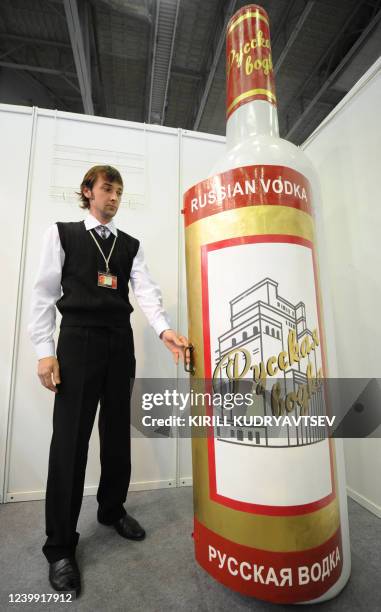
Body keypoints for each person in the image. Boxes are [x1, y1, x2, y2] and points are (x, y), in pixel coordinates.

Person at [28, 165, 189, 598]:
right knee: (70, 441)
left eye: (119, 191)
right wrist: (45, 351)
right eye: (106, 189)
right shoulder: (61, 234)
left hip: (120, 344)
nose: (114, 197)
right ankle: (60, 546)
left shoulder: (129, 245)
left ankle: (111, 510)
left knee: (117, 433)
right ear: (88, 192)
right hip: (77, 343)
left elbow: (147, 292)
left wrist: (164, 329)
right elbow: (43, 294)